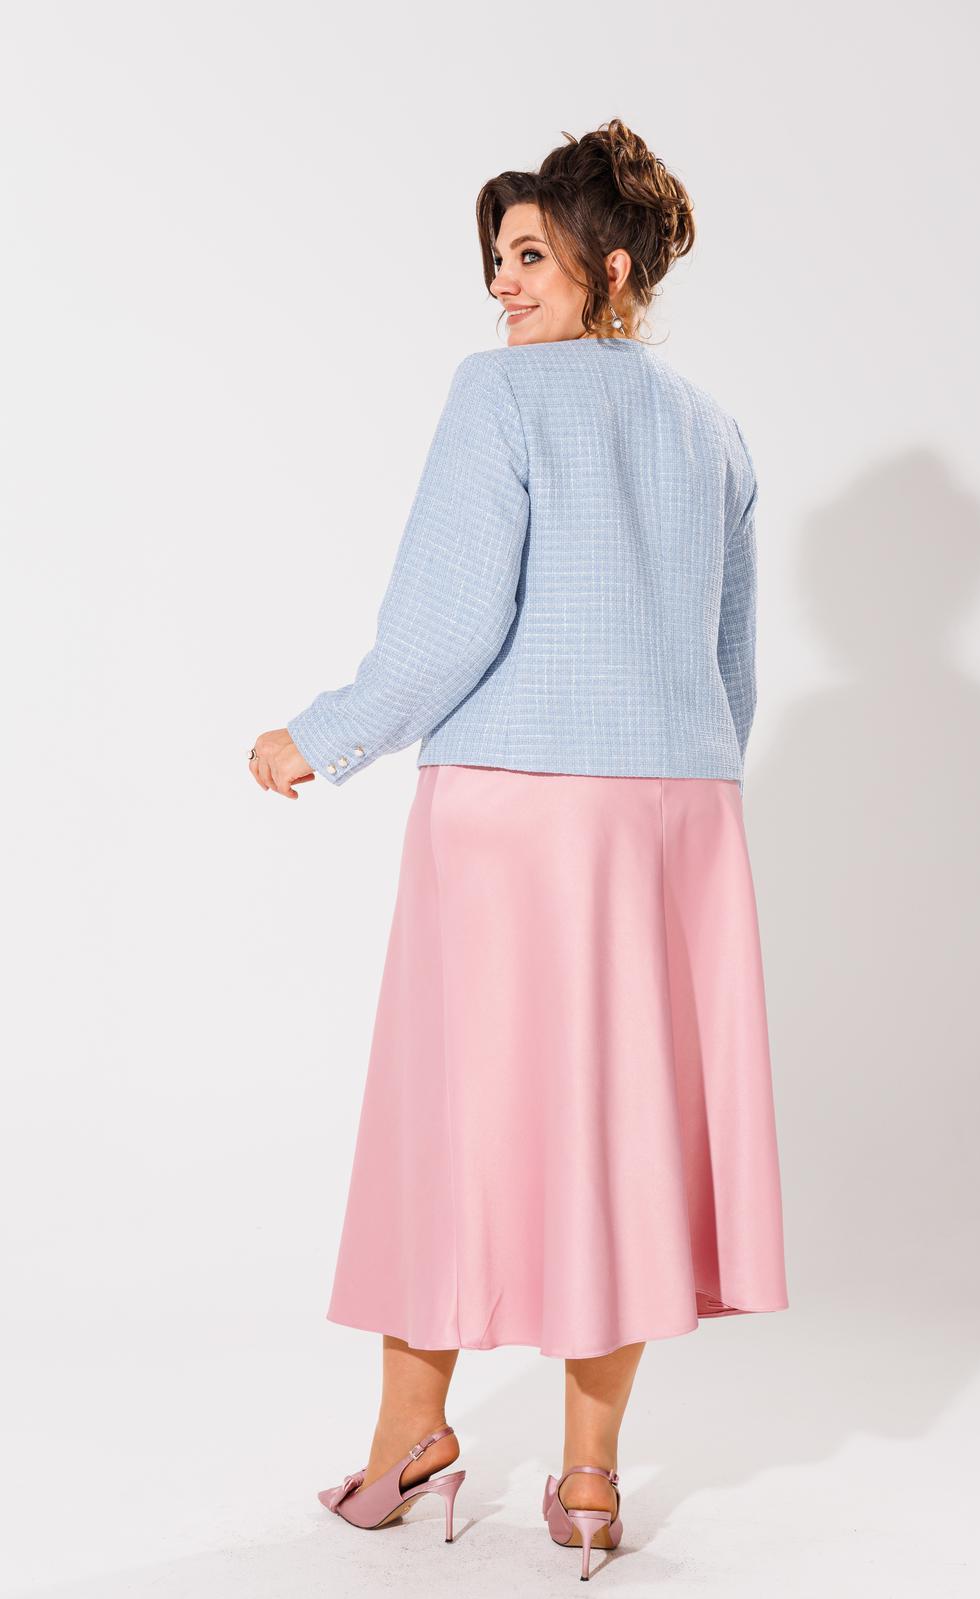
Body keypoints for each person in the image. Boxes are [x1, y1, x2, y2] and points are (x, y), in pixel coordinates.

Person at [248, 117, 789, 1582]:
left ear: (609, 268)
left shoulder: (498, 394)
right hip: (675, 821)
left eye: (531, 255)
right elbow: (730, 664)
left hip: (515, 812)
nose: (501, 283)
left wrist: (324, 735)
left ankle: (407, 1442)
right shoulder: (714, 430)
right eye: (497, 258)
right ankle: (591, 1484)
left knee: (450, 1118)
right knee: (618, 1137)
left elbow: (448, 620)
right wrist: (676, 779)